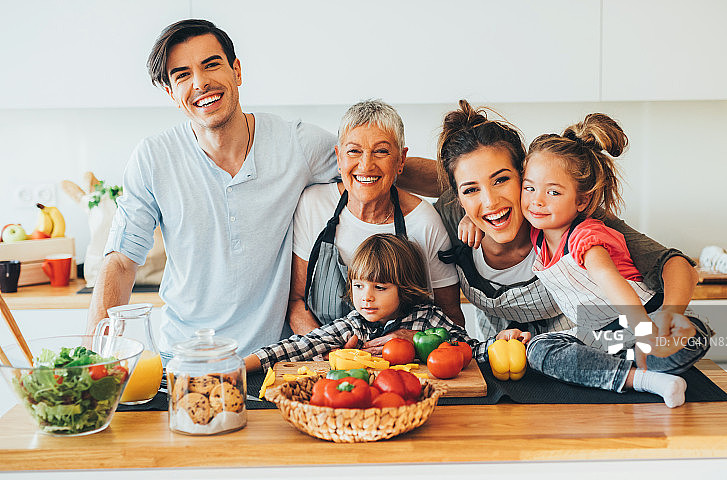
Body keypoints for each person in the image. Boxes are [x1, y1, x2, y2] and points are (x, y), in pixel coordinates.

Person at [86, 20, 440, 356]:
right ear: (170, 91)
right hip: (186, 358)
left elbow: (369, 164)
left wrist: (469, 190)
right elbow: (120, 260)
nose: (200, 82)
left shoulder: (294, 143)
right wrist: (93, 355)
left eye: (211, 65)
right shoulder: (153, 158)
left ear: (236, 70)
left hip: (275, 361)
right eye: (182, 75)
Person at [496, 113, 712, 407]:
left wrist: (646, 334)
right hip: (604, 340)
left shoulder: (587, 236)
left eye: (553, 192)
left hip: (644, 323)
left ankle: (674, 347)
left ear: (582, 200)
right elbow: (490, 206)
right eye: (530, 187)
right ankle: (646, 381)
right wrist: (469, 223)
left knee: (672, 348)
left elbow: (613, 285)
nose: (537, 200)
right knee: (539, 350)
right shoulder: (538, 232)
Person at [288, 100, 464, 350]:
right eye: (354, 151)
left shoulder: (424, 223)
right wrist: (331, 354)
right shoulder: (313, 205)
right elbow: (296, 302)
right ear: (339, 157)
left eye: (381, 151)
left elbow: (454, 322)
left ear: (401, 160)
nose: (366, 165)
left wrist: (413, 339)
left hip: (404, 368)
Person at [245, 234, 475, 372]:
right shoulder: (354, 325)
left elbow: (471, 350)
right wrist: (240, 366)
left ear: (404, 289)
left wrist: (501, 342)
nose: (366, 297)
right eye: (358, 286)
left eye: (380, 287)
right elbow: (300, 346)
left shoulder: (428, 318)